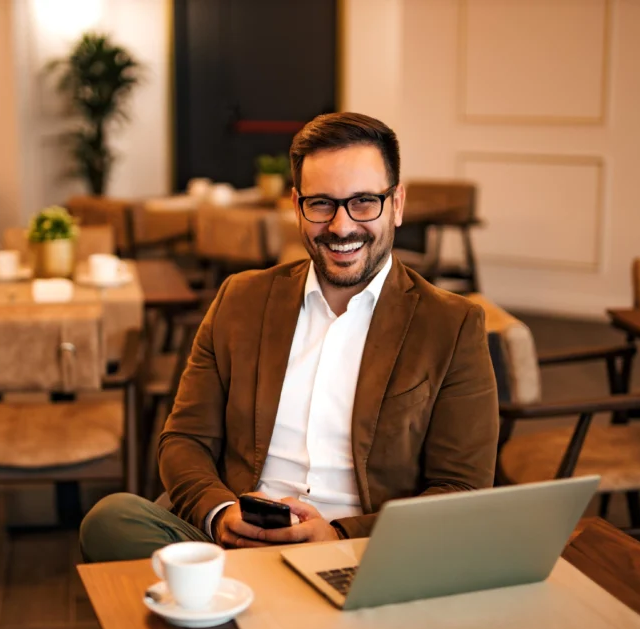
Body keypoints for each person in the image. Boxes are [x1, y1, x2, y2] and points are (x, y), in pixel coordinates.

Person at [80, 112, 499, 562]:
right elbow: (184, 439)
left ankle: (234, 610)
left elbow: (461, 489)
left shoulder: (451, 325)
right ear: (296, 205)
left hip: (363, 553)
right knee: (110, 520)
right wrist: (220, 515)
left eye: (363, 202)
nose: (341, 227)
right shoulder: (241, 299)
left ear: (396, 204)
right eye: (321, 204)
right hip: (235, 543)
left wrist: (341, 536)